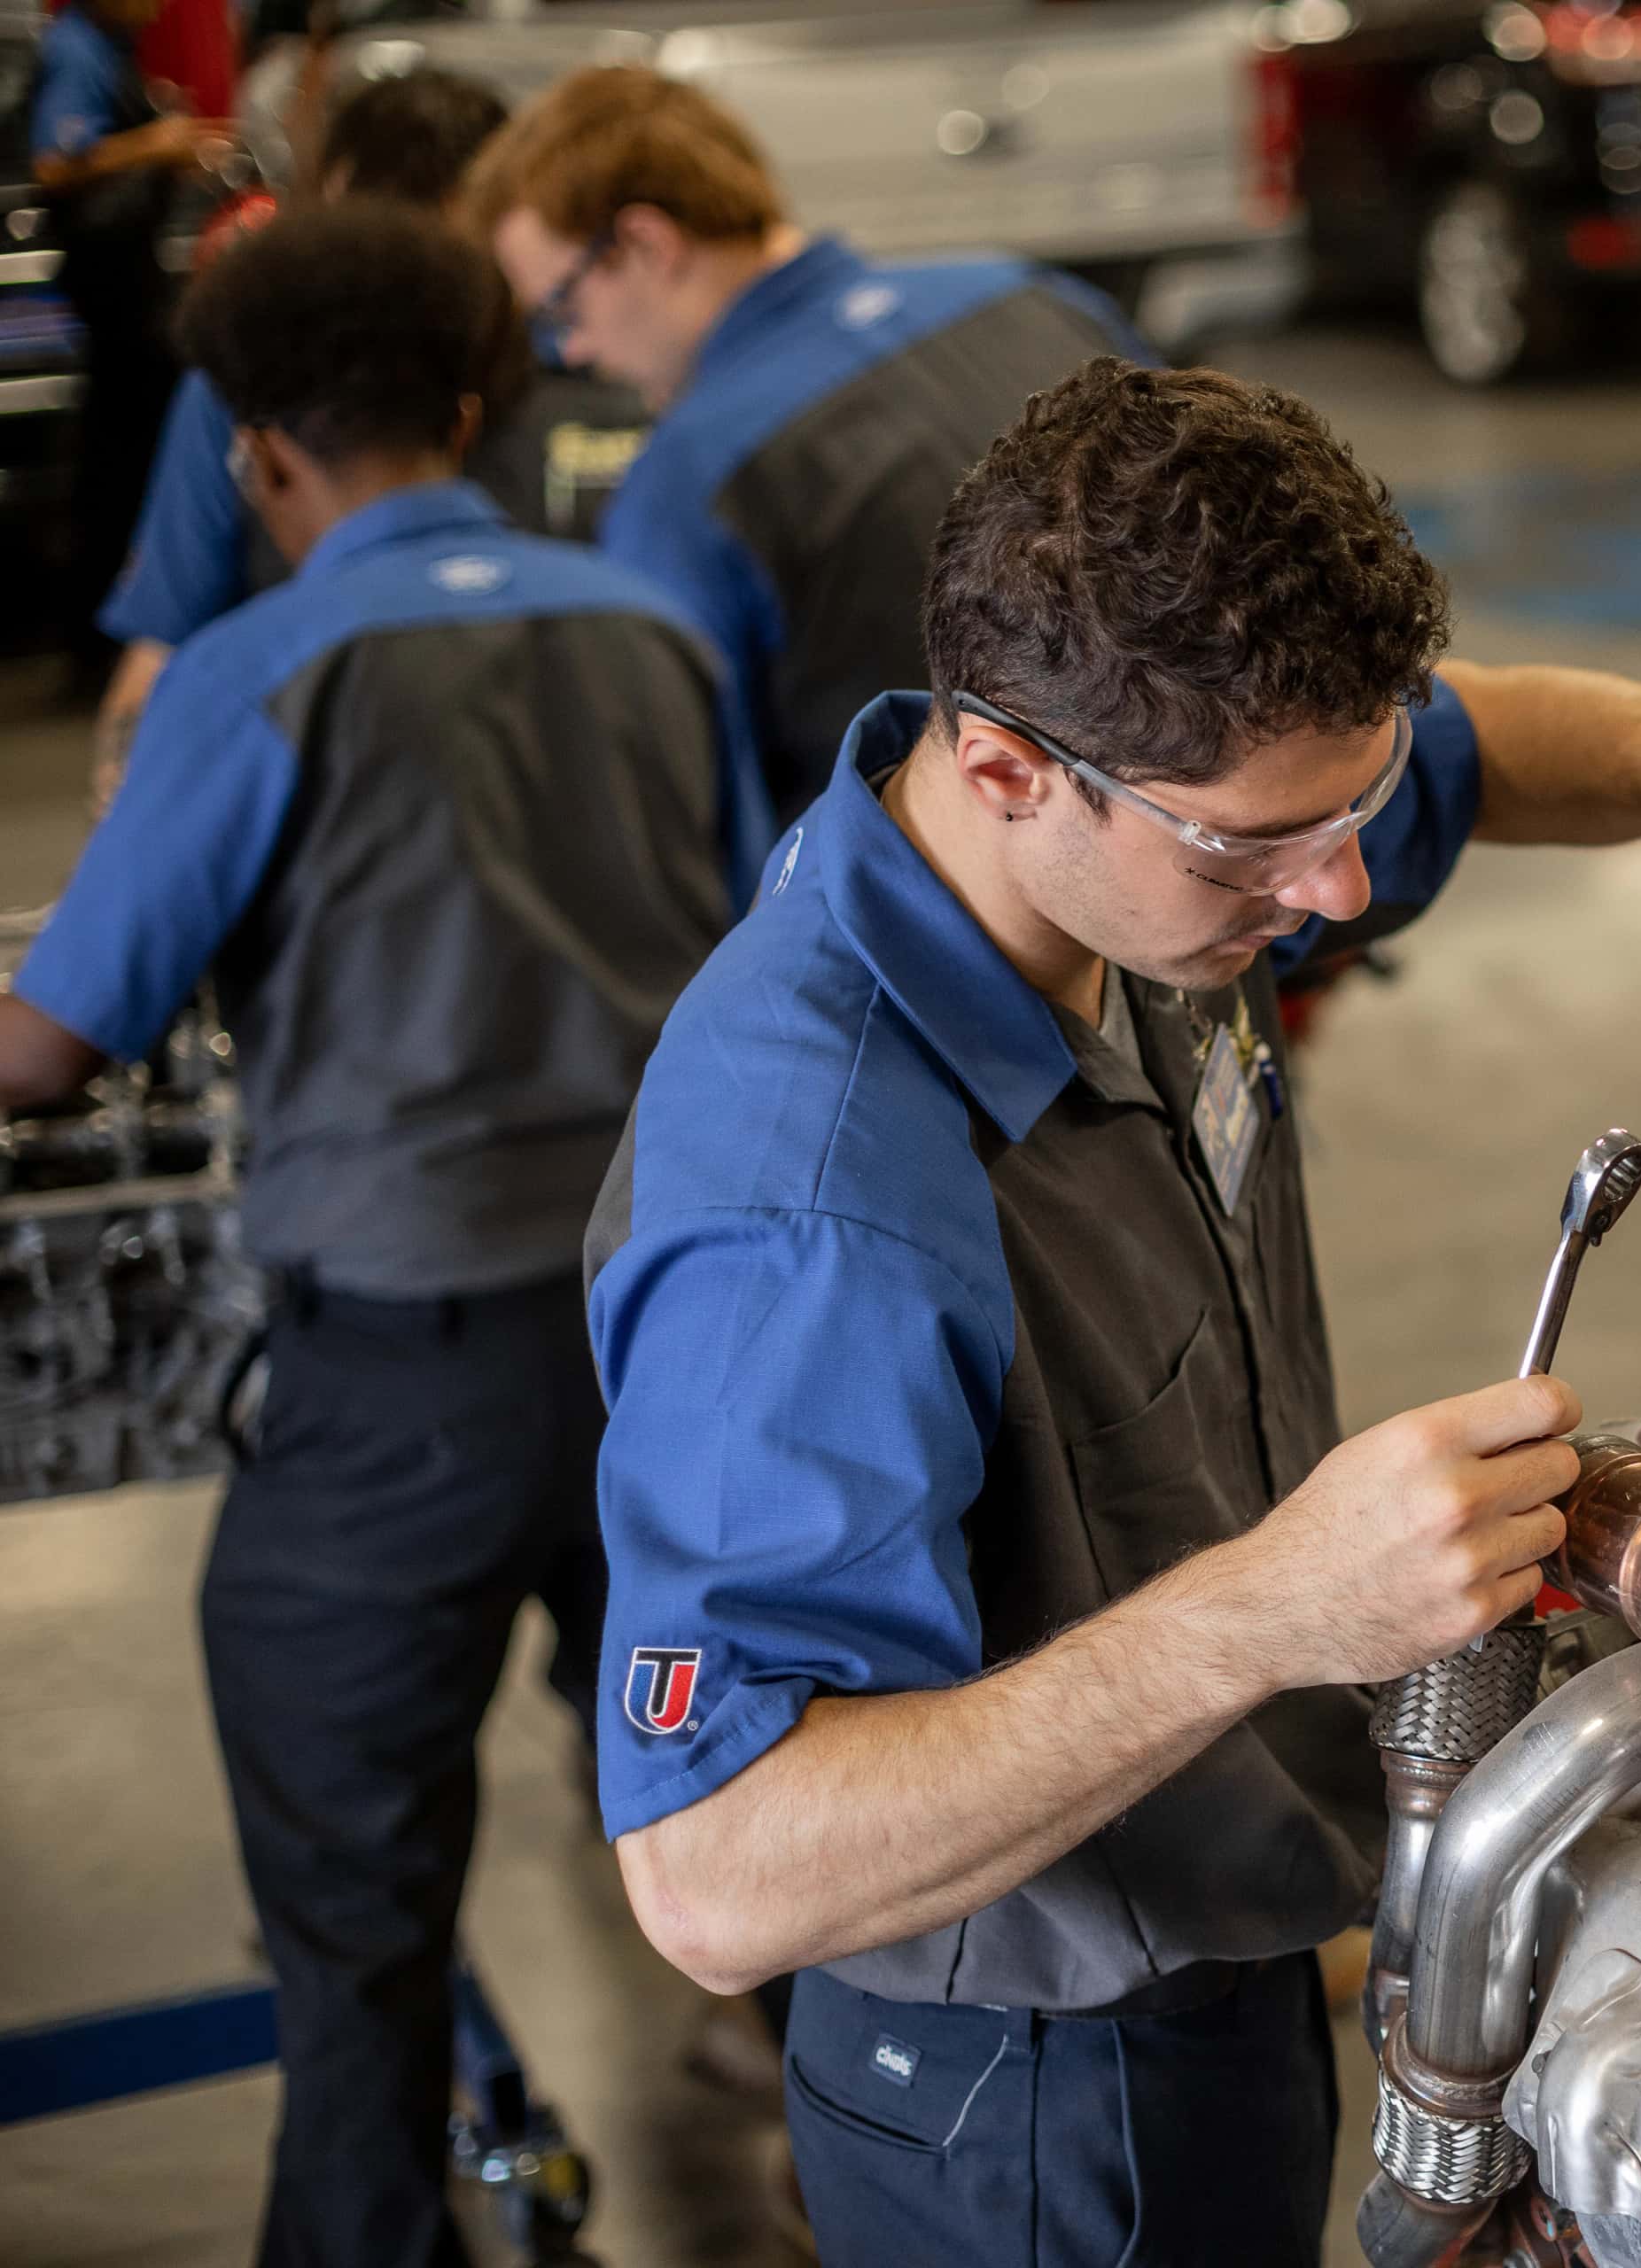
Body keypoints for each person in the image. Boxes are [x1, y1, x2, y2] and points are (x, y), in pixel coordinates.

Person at [586, 361, 1641, 2264]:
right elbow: (716, 1869)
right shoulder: (812, 1197)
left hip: (1232, 1954)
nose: (1338, 888)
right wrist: (1279, 1606)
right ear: (1006, 766)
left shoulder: (1147, 846)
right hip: (1032, 2117)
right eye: (1264, 847)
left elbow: (1485, 749)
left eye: (1360, 801)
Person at [0, 205, 745, 2268]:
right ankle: (833, 2170)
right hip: (664, 1352)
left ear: (253, 454)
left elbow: (48, 1046)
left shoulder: (256, 672)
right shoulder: (657, 632)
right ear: (485, 400)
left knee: (351, 1903)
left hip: (394, 1384)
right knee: (735, 1816)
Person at [466, 66, 1149, 825]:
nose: (578, 350)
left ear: (644, 242)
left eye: (563, 306)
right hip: (1214, 853)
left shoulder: (688, 485)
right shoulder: (1035, 297)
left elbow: (689, 816)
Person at [92, 66, 651, 807]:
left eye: (433, 254)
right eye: (365, 247)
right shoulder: (242, 384)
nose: (392, 290)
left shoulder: (600, 371)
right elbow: (160, 650)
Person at [30, 0, 233, 680]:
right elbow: (56, 165)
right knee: (119, 462)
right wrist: (159, 143)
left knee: (121, 454)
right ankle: (103, 645)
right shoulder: (78, 49)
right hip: (107, 288)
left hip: (124, 283)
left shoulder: (112, 52)